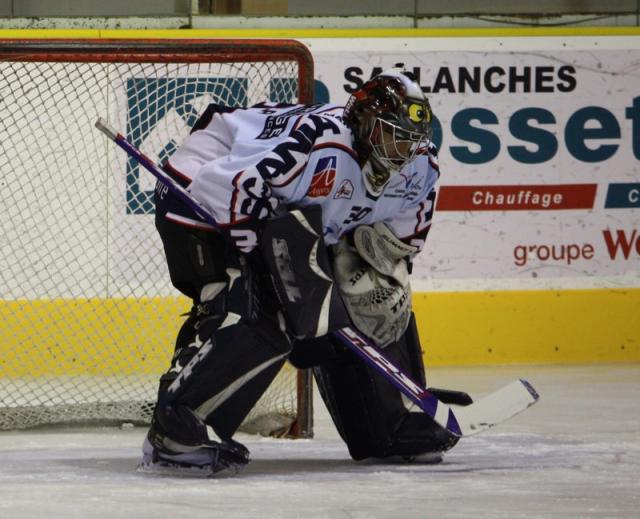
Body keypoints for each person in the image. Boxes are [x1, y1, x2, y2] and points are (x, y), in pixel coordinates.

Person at [142, 68, 460, 474]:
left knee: (370, 304)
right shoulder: (318, 143)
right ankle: (178, 430)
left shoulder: (421, 172)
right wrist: (276, 277)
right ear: (363, 122)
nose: (403, 148)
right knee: (257, 317)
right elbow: (238, 188)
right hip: (203, 196)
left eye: (409, 137)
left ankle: (388, 425)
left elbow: (398, 248)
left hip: (290, 217)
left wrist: (355, 288)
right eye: (390, 133)